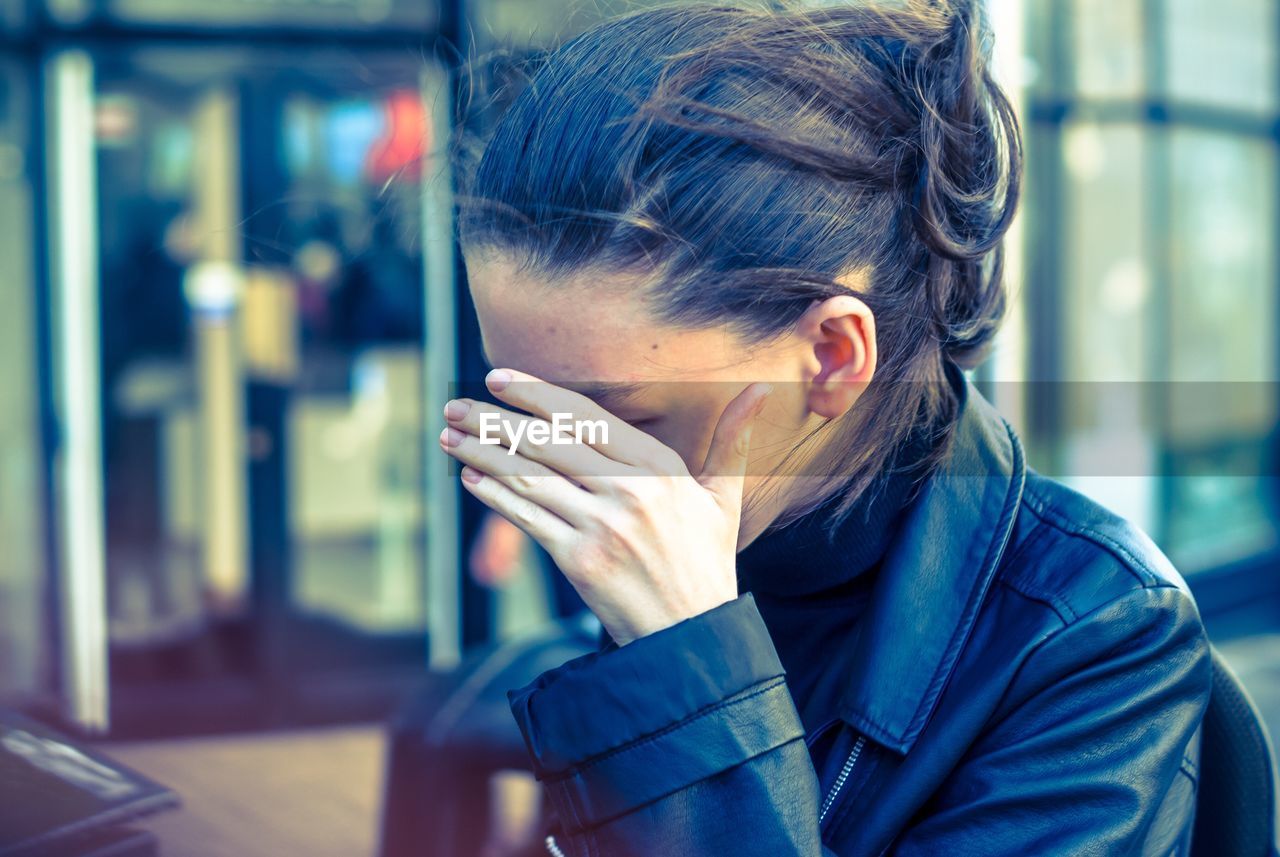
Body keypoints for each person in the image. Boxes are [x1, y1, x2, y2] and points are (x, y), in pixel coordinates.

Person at [437, 2, 1212, 855]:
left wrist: (690, 677)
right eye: (528, 409)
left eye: (617, 415)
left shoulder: (1097, 637)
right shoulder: (697, 542)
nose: (557, 461)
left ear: (835, 356)